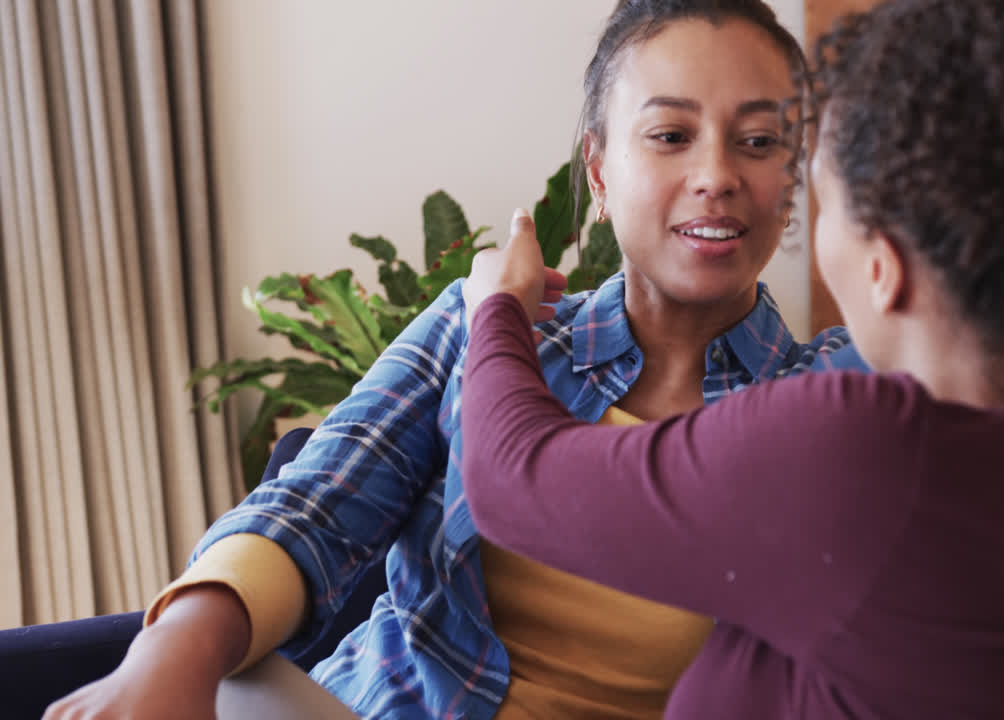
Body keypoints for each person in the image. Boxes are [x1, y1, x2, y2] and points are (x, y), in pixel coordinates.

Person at [457, 0, 1004, 717]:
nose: (718, 177)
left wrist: (496, 306)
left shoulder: (858, 454)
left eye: (808, 186)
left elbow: (508, 476)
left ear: (884, 267)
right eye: (671, 135)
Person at [44, 2, 866, 719]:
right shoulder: (485, 327)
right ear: (600, 172)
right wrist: (170, 658)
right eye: (670, 136)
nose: (717, 175)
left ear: (794, 179)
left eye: (759, 141)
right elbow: (314, 508)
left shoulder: (838, 398)